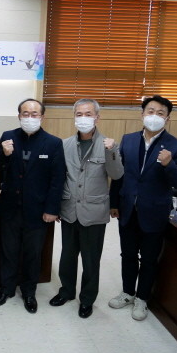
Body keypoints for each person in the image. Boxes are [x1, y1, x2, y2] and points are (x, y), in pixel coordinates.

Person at [109, 95, 177, 321]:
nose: (154, 116)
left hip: (154, 211)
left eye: (160, 113)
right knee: (127, 254)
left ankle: (142, 298)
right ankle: (127, 293)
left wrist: (169, 164)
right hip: (127, 208)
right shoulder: (128, 140)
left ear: (168, 118)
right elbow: (119, 174)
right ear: (142, 114)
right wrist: (114, 202)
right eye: (150, 111)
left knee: (149, 258)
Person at [48, 99, 123, 318]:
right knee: (67, 256)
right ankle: (66, 291)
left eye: (88, 114)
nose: (83, 118)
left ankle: (87, 299)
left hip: (94, 212)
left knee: (91, 260)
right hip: (69, 209)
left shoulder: (108, 145)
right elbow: (58, 178)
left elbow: (117, 174)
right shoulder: (65, 145)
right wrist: (57, 206)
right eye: (79, 114)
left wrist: (111, 151)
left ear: (97, 117)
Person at [0, 99, 65, 313]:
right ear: (19, 116)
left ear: (42, 117)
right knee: (8, 251)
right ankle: (6, 289)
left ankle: (29, 292)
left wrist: (52, 209)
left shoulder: (53, 143)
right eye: (25, 114)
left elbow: (57, 179)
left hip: (38, 210)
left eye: (34, 114)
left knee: (32, 253)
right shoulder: (8, 137)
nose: (29, 118)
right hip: (10, 207)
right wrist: (4, 156)